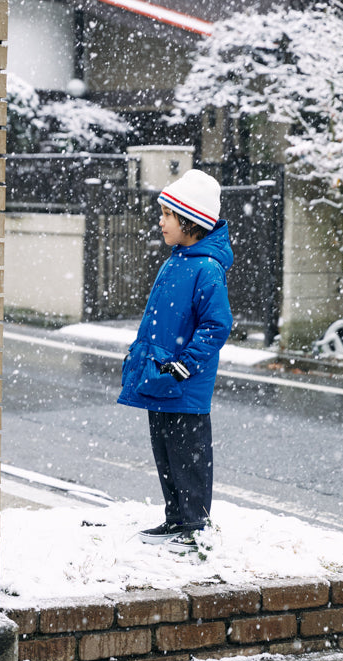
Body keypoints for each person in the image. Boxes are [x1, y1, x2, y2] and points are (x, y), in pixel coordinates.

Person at [117, 168, 233, 551]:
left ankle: (195, 527)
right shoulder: (177, 260)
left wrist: (184, 365)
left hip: (183, 383)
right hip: (161, 377)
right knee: (166, 454)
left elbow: (216, 325)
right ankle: (176, 519)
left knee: (189, 458)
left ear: (190, 220)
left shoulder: (206, 268)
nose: (161, 221)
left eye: (167, 214)